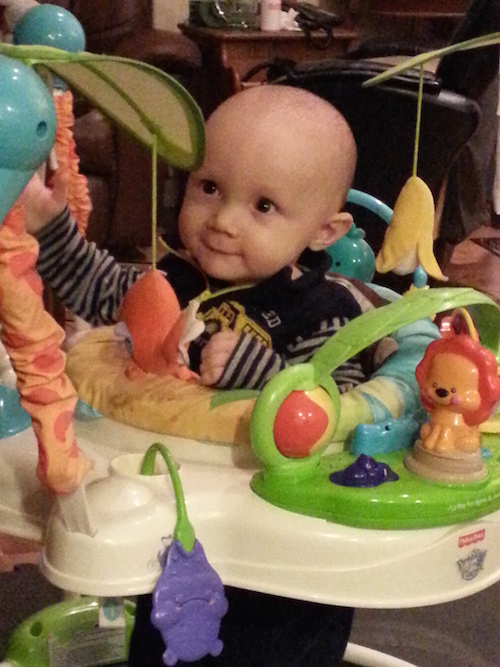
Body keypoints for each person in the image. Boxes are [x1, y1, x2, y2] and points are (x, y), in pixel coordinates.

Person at [25, 85, 396, 666]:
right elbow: (100, 289)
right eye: (209, 187)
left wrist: (260, 372)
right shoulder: (175, 280)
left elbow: (339, 406)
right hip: (176, 525)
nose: (222, 221)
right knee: (162, 647)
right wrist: (49, 227)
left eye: (263, 206)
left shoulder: (322, 311)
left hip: (279, 564)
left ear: (324, 231)